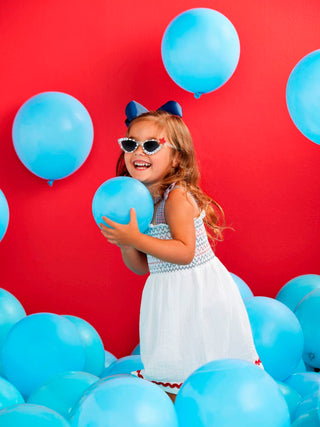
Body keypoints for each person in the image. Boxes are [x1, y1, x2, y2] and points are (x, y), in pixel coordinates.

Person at [100, 101, 262, 403]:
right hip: (165, 295)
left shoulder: (176, 198)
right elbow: (142, 267)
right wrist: (126, 243)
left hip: (196, 293)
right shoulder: (139, 201)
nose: (138, 152)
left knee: (204, 362)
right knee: (172, 368)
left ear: (176, 159)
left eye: (151, 145)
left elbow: (184, 252)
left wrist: (136, 235)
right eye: (130, 144)